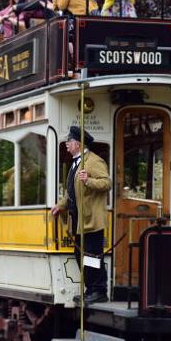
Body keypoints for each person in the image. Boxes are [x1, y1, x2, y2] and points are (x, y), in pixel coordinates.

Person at [51, 126, 110, 303]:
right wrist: (60, 205)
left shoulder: (93, 161)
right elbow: (72, 191)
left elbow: (107, 183)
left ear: (78, 143)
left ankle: (99, 291)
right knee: (81, 255)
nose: (67, 145)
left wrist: (89, 181)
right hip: (79, 220)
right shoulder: (77, 162)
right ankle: (91, 288)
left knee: (92, 255)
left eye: (69, 142)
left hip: (91, 219)